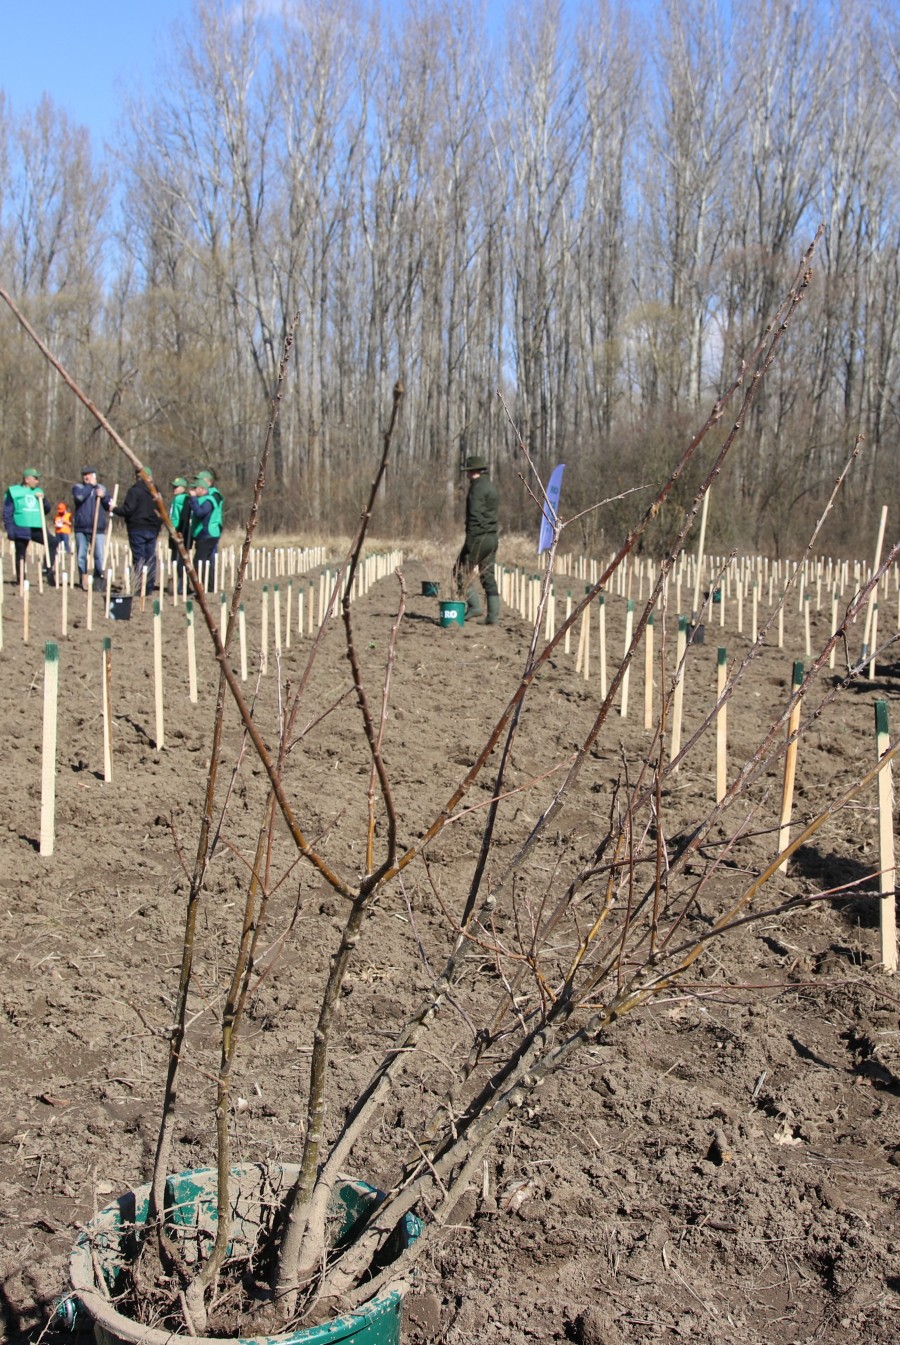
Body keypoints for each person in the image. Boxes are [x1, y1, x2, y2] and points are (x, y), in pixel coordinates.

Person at [455, 454, 500, 625]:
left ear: (473, 471)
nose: (466, 475)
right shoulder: (490, 486)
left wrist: (469, 544)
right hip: (492, 537)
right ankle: (493, 616)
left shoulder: (477, 488)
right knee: (488, 575)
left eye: (468, 471)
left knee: (460, 572)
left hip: (479, 538)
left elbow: (474, 517)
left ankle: (474, 607)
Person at [3, 467, 56, 585]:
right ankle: (21, 579)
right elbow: (7, 512)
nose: (37, 481)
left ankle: (46, 569)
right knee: (20, 553)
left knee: (52, 542)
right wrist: (10, 529)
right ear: (27, 480)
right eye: (35, 478)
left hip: (37, 527)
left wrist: (43, 499)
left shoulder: (38, 492)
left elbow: (46, 510)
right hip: (21, 527)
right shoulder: (14, 492)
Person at [114, 467, 162, 595]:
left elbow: (127, 510)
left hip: (137, 528)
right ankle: (149, 586)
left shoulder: (134, 491)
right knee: (150, 557)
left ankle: (140, 586)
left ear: (137, 477)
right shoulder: (155, 491)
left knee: (139, 558)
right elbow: (160, 510)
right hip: (152, 528)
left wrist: (114, 509)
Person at [72, 467, 111, 586]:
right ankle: (83, 577)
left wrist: (103, 497)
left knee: (99, 555)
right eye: (84, 475)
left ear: (94, 476)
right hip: (81, 527)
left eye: (88, 475)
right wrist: (90, 487)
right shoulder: (78, 488)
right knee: (81, 556)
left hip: (97, 528)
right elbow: (79, 498)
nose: (86, 477)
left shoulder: (102, 489)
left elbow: (109, 505)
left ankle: (98, 577)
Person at [188, 472, 224, 583]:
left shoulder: (212, 497)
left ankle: (205, 585)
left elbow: (200, 512)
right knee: (206, 561)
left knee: (202, 561)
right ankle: (207, 585)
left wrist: (193, 499)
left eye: (196, 487)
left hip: (209, 533)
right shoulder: (206, 497)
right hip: (203, 534)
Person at [168, 477, 192, 585]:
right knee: (174, 557)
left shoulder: (184, 499)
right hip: (173, 530)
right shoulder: (176, 499)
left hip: (178, 531)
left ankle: (181, 582)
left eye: (176, 487)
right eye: (173, 486)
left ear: (183, 488)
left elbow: (184, 518)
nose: (174, 489)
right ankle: (177, 580)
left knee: (179, 558)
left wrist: (180, 530)